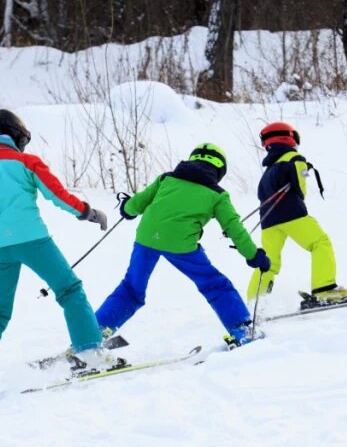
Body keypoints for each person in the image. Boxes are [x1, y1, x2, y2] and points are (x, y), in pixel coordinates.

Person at [0, 109, 117, 401]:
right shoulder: (27, 162)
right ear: (16, 136)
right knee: (69, 289)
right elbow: (59, 195)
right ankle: (90, 353)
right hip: (34, 241)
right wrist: (88, 212)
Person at [95, 143, 271, 347]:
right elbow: (234, 228)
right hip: (181, 244)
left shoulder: (166, 179)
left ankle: (93, 336)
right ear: (219, 170)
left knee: (131, 289)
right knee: (215, 284)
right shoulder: (217, 195)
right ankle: (242, 330)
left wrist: (126, 207)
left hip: (146, 238)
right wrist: (253, 255)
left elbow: (135, 205)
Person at [246, 122, 347, 307]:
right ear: (288, 137)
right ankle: (324, 289)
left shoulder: (268, 170)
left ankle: (254, 304)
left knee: (268, 263)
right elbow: (300, 187)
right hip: (292, 214)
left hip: (268, 222)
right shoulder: (295, 158)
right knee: (320, 243)